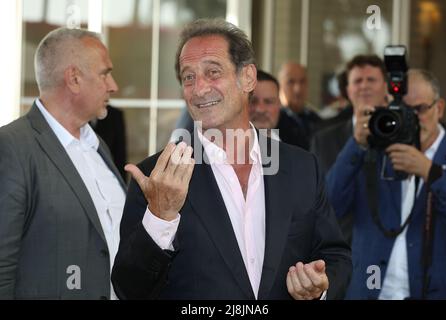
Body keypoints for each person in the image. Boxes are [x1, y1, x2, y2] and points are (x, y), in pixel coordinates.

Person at [112, 18, 351, 300]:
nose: (199, 89)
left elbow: (336, 255)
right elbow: (129, 290)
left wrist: (319, 286)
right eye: (188, 77)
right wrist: (160, 219)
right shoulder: (156, 177)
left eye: (212, 72)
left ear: (248, 78)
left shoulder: (301, 167)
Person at [0, 28, 126, 299]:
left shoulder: (97, 145)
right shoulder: (12, 146)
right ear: (74, 78)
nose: (113, 85)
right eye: (105, 73)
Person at [326, 69, 446, 299]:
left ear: (439, 108)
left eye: (419, 110)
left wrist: (430, 172)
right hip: (370, 290)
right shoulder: (374, 151)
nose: (410, 118)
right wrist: (357, 145)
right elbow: (329, 205)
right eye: (402, 110)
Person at [311, 55, 388, 245]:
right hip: (340, 250)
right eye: (357, 80)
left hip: (388, 245)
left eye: (371, 80)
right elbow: (319, 201)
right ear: (347, 89)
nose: (364, 86)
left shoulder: (403, 135)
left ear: (386, 86)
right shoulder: (323, 139)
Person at [249, 69, 309, 148]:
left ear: (279, 104)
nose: (260, 109)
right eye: (253, 101)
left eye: (269, 102)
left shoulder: (296, 145)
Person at [278, 62, 322, 149]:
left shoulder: (316, 120)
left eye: (302, 81)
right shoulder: (272, 120)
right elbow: (271, 160)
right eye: (291, 82)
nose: (298, 89)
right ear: (279, 85)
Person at [90, 104, 128, 180]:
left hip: (107, 177)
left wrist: (123, 187)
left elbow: (120, 155)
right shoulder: (74, 115)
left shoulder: (115, 115)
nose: (113, 91)